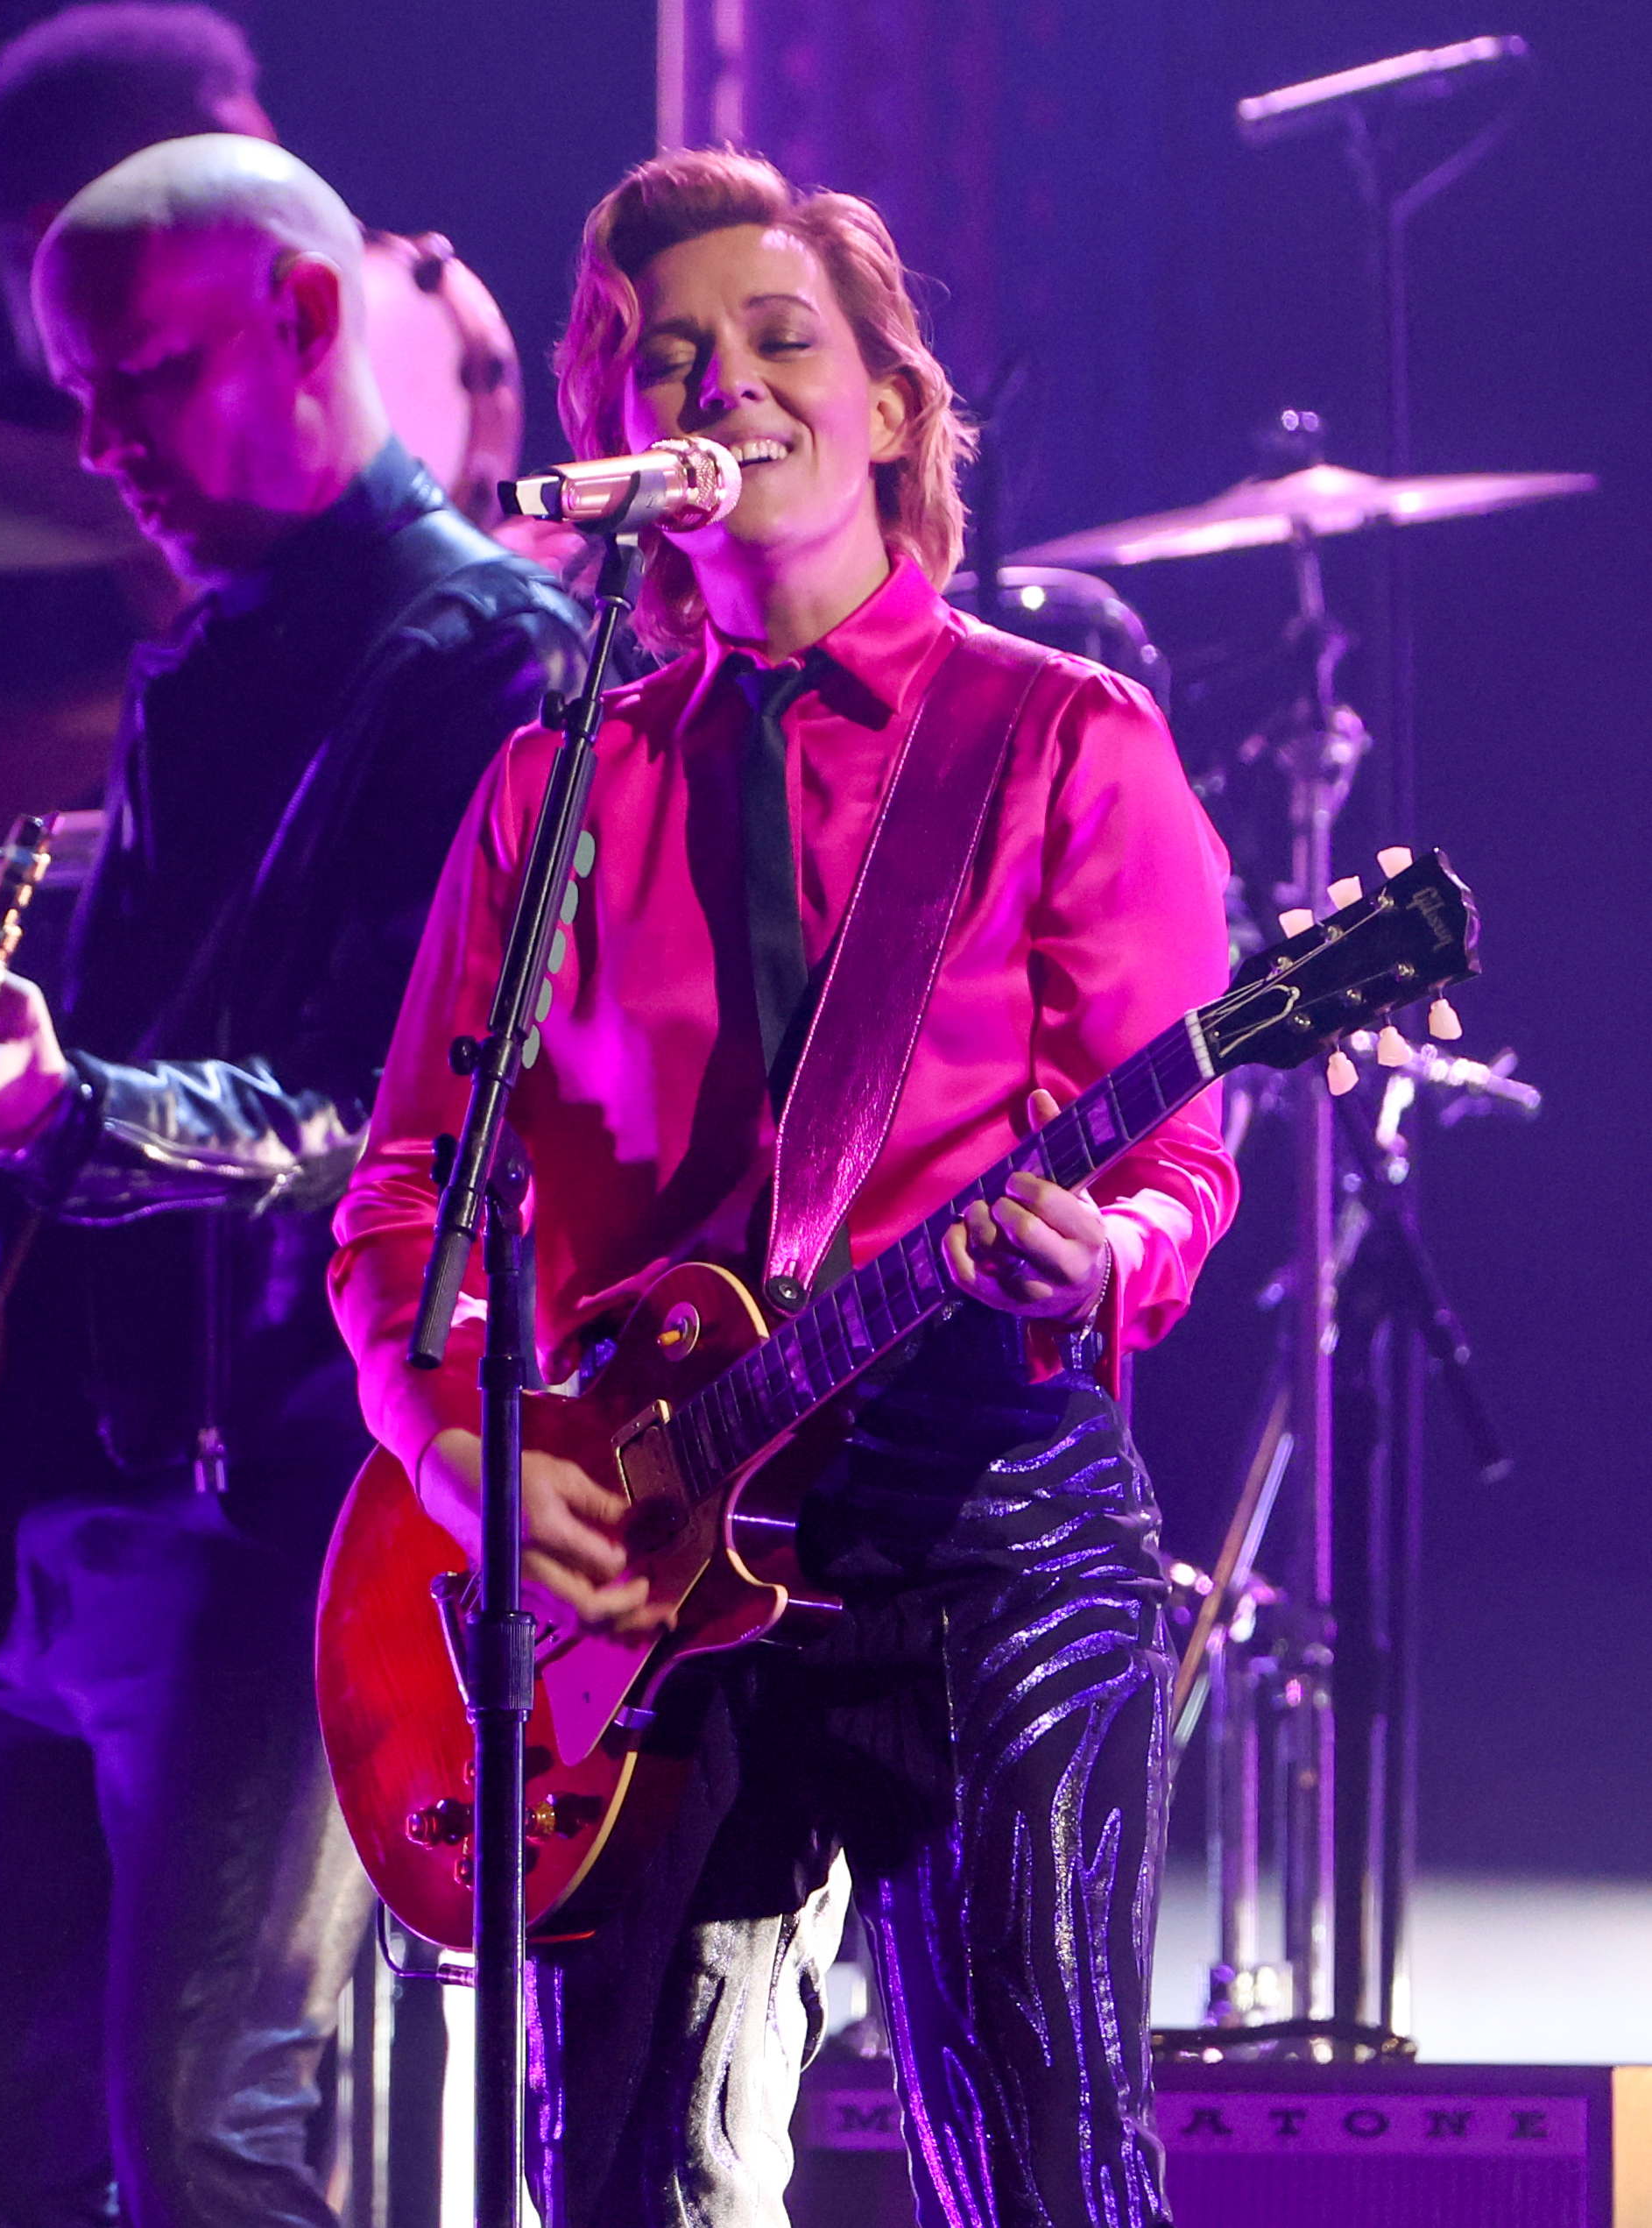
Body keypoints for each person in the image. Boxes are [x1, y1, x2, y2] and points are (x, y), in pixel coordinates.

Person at [327, 151, 1240, 2226]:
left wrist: (1104, 1246)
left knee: (1034, 2169)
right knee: (623, 2186)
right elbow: (401, 1193)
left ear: (891, 409)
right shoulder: (556, 776)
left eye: (773, 340)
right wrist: (451, 1445)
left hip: (975, 1518)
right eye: (663, 359)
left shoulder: (1057, 744)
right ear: (615, 438)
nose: (719, 384)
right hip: (644, 1565)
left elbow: (1176, 1157)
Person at [0, 136, 586, 2226]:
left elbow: (380, 1123)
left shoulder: (493, 665)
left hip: (276, 1518)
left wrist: (56, 1122)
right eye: (76, 387)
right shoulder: (196, 662)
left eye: (135, 376)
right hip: (66, 1506)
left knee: (202, 2141)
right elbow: (142, 1059)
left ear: (308, 319)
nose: (98, 443)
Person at [0, 1, 558, 877]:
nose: (103, 444)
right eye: (221, 178)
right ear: (58, 229)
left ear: (303, 317)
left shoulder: (485, 634)